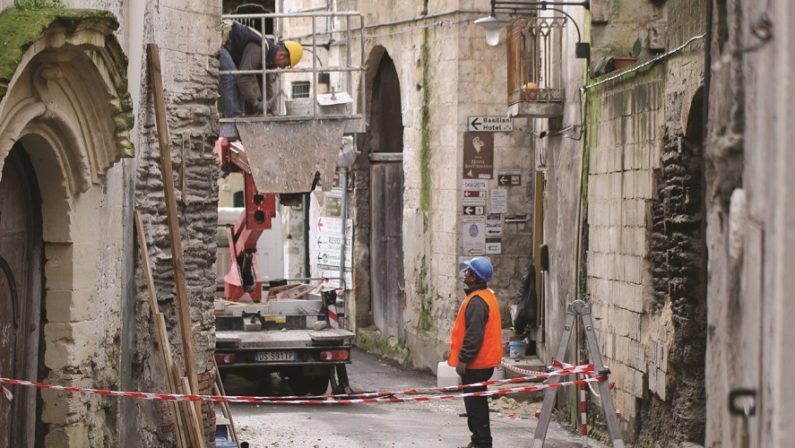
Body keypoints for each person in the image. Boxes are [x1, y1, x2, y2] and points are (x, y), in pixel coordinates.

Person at [448, 257, 502, 448]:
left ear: (474, 277)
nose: (465, 273)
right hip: (482, 362)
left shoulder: (477, 301)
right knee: (477, 405)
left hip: (476, 364)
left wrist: (463, 359)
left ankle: (482, 442)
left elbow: (474, 335)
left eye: (468, 271)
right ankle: (479, 440)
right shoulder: (485, 296)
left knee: (475, 406)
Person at [219, 21, 303, 117]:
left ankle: (238, 115)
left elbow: (265, 84)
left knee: (239, 77)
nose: (283, 67)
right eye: (285, 64)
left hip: (230, 48)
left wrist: (274, 111)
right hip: (219, 42)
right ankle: (233, 118)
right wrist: (256, 103)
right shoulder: (259, 49)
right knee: (232, 75)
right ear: (281, 56)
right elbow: (242, 79)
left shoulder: (269, 56)